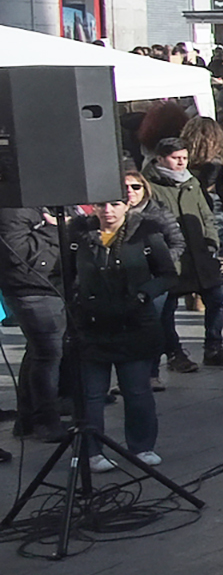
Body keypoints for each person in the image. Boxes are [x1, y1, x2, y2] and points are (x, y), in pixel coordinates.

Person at [68, 186, 176, 473]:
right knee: (92, 393)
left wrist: (142, 295)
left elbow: (166, 274)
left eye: (115, 204)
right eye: (102, 205)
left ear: (127, 205)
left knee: (136, 390)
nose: (108, 211)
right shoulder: (78, 235)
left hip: (134, 323)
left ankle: (141, 446)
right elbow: (62, 274)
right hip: (93, 326)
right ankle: (91, 450)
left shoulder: (145, 233)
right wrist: (77, 301)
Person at [144, 139, 223, 372]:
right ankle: (174, 353)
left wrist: (212, 241)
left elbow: (206, 213)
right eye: (175, 158)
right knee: (167, 309)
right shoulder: (149, 185)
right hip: (172, 257)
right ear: (160, 159)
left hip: (200, 253)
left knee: (216, 299)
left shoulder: (191, 181)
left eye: (184, 158)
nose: (181, 163)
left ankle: (214, 347)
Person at [0, 205, 69, 445]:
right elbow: (17, 252)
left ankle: (28, 419)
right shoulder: (14, 208)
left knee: (39, 352)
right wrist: (56, 229)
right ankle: (44, 421)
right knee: (47, 354)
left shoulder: (44, 202)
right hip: (32, 288)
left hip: (51, 285)